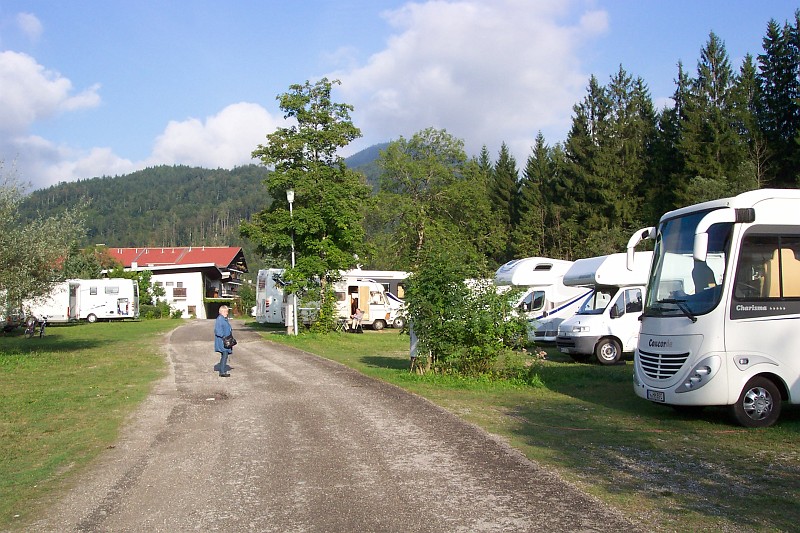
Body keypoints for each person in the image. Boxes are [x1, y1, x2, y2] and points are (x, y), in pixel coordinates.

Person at [214, 305, 233, 377]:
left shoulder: (224, 319)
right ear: (222, 311)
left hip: (225, 340)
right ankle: (222, 372)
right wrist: (224, 337)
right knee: (225, 354)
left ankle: (222, 371)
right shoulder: (220, 319)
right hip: (222, 341)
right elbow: (218, 331)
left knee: (225, 355)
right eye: (226, 311)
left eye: (227, 311)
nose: (227, 313)